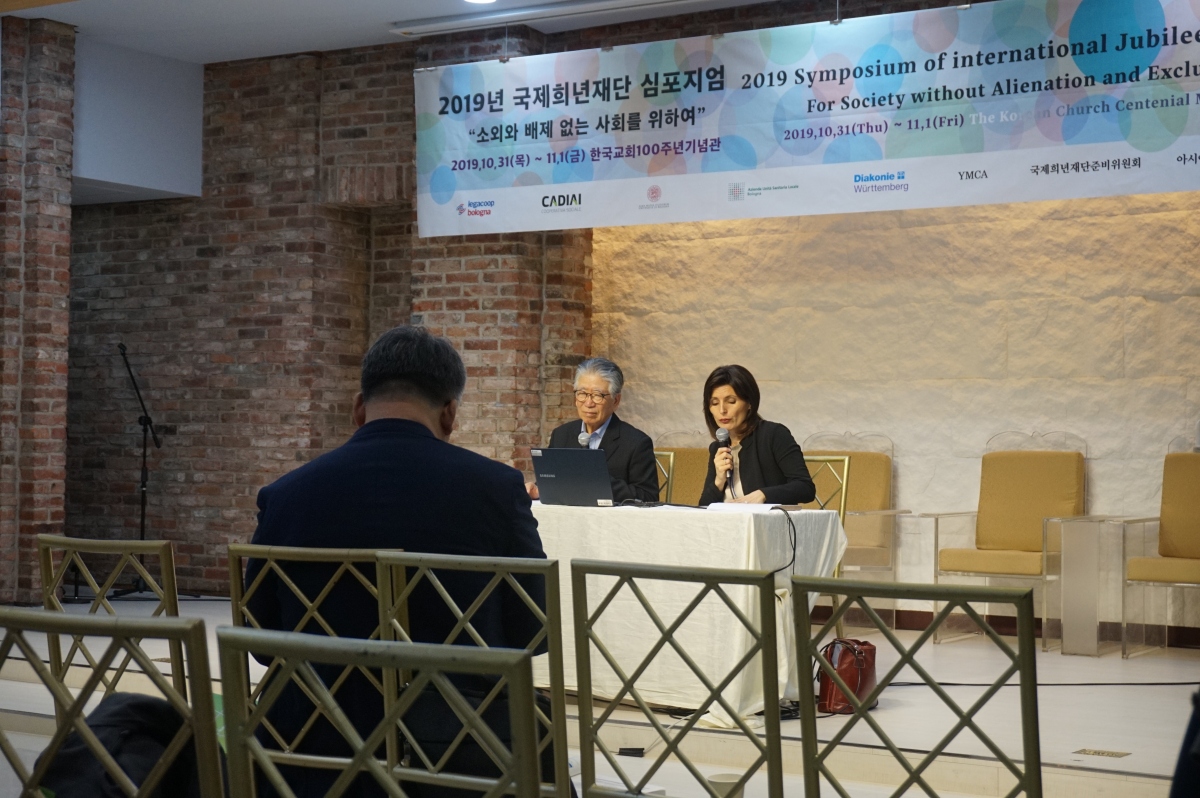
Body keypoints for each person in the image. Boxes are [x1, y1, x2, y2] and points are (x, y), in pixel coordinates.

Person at [245, 325, 549, 798]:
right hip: (459, 757)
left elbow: (260, 639)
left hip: (307, 756)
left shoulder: (284, 496)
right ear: (449, 414)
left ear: (358, 408)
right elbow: (533, 630)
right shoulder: (496, 490)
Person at [532, 357, 659, 504]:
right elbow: (550, 481)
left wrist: (597, 481)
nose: (588, 403)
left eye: (598, 395)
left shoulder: (636, 443)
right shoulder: (561, 435)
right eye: (582, 393)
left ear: (616, 401)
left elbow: (648, 497)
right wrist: (536, 488)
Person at [698, 364, 816, 506]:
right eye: (715, 403)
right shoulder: (717, 447)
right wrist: (719, 480)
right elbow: (703, 507)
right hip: (728, 520)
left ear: (749, 403)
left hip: (765, 519)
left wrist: (763, 495)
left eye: (731, 401)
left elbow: (805, 487)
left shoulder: (773, 435)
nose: (722, 410)